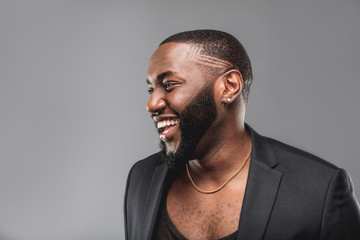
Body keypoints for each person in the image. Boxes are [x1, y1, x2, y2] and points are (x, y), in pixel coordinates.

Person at [124, 29, 360, 240]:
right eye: (150, 89)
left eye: (169, 85)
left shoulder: (320, 189)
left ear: (229, 87)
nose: (151, 103)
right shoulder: (142, 178)